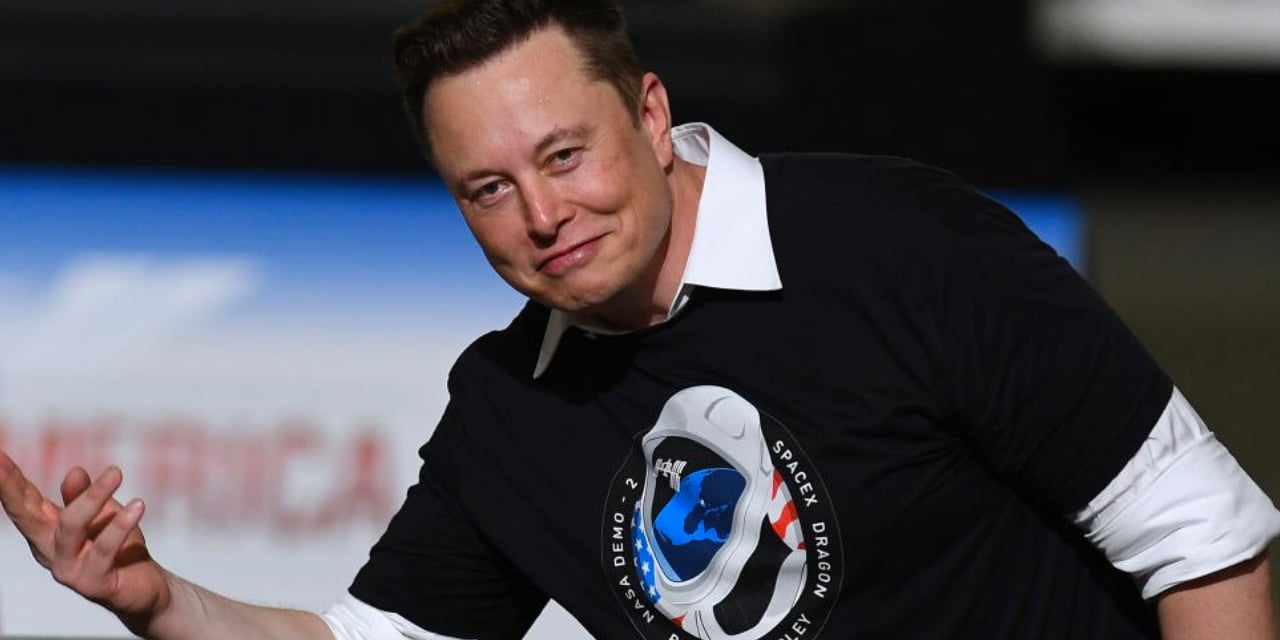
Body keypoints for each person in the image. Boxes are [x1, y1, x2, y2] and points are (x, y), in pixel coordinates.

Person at [1, 0, 1278, 638]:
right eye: (488, 188)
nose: (540, 214)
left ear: (651, 114)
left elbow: (1199, 534)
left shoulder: (900, 243)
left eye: (563, 155)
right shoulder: (510, 408)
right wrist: (160, 601)